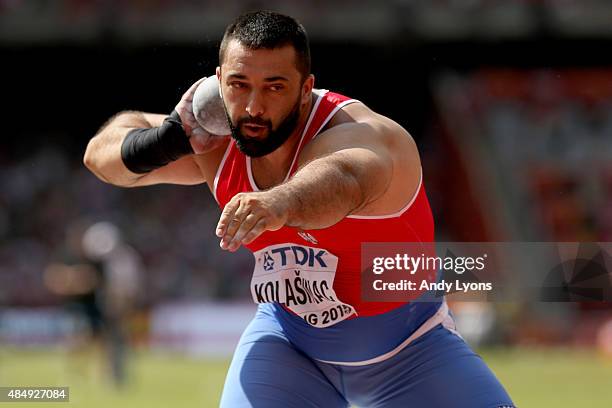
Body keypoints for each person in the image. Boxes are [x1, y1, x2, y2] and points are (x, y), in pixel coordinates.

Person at [84, 10, 515, 408]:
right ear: (219, 82)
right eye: (239, 85)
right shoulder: (214, 140)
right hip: (290, 349)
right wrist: (168, 138)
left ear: (306, 89)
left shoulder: (363, 134)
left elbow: (342, 180)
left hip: (413, 351)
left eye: (275, 87)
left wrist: (279, 202)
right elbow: (100, 159)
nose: (254, 107)